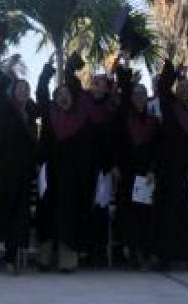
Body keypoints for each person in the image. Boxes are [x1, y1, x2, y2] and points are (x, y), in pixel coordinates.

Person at [0, 29, 38, 275]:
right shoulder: (4, 108)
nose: (22, 92)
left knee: (18, 216)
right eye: (19, 89)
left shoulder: (31, 114)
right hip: (1, 171)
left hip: (22, 174)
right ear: (13, 91)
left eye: (26, 90)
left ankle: (10, 258)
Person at [153, 59, 188, 272]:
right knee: (170, 214)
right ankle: (165, 258)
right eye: (182, 88)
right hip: (172, 171)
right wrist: (172, 69)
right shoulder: (169, 108)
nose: (185, 91)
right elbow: (163, 87)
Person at [64, 54, 120, 266]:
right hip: (80, 165)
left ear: (106, 88)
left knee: (100, 208)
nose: (96, 85)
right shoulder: (81, 101)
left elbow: (115, 140)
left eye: (101, 83)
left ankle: (96, 251)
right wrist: (73, 63)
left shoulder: (110, 109)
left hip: (102, 167)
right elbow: (70, 79)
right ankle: (81, 249)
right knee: (81, 206)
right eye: (94, 82)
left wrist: (113, 164)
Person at [35, 61, 88, 272]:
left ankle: (67, 260)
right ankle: (44, 258)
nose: (62, 96)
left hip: (71, 175)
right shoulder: (49, 114)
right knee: (47, 213)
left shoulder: (80, 118)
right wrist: (46, 74)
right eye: (59, 94)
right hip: (50, 172)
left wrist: (69, 71)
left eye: (66, 93)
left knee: (68, 214)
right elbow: (41, 94)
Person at [113, 55, 160, 269]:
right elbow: (113, 145)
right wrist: (114, 166)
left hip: (146, 174)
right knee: (127, 213)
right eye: (135, 94)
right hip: (126, 173)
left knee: (146, 214)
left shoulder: (153, 122)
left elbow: (157, 150)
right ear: (130, 96)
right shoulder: (123, 118)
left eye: (142, 94)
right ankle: (130, 252)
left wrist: (152, 170)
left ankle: (143, 251)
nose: (139, 97)